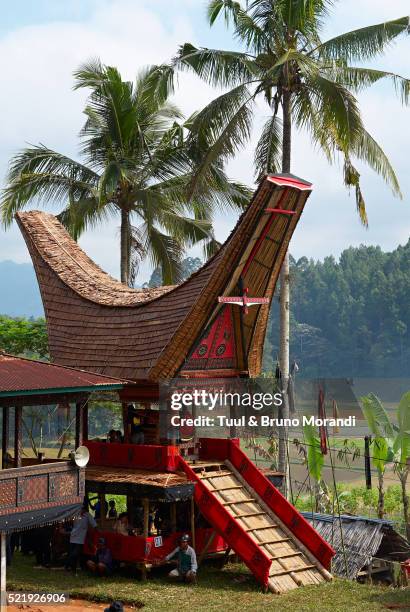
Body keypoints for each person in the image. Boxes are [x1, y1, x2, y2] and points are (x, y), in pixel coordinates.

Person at [65, 504, 97, 573]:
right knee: (71, 554)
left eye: (82, 509)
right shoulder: (75, 515)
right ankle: (72, 569)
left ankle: (68, 566)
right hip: (73, 536)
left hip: (80, 538)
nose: (81, 510)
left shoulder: (87, 515)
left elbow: (94, 525)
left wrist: (96, 532)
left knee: (75, 554)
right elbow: (69, 521)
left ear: (84, 509)